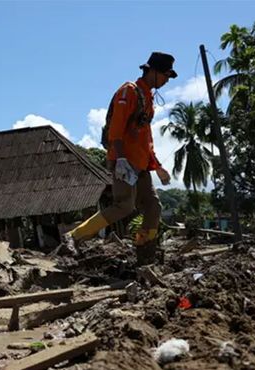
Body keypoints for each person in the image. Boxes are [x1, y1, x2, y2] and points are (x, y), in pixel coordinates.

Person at [63, 52, 175, 265]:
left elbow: (145, 138)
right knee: (124, 205)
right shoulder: (129, 92)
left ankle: (145, 252)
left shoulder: (148, 98)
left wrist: (157, 166)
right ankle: (74, 237)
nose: (167, 80)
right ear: (153, 71)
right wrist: (120, 159)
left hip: (140, 164)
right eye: (166, 75)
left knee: (153, 207)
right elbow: (116, 129)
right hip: (125, 161)